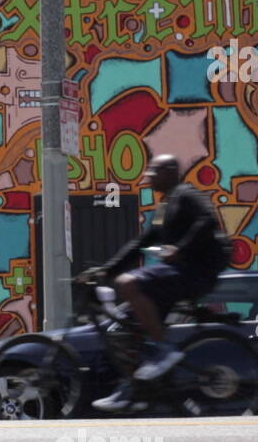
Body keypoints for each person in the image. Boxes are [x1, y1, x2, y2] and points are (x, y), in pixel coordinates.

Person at [82, 154, 232, 412]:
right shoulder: (165, 207)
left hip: (195, 273)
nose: (148, 177)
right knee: (121, 330)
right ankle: (135, 389)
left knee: (128, 283)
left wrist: (180, 249)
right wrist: (105, 270)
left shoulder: (186, 195)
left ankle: (164, 349)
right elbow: (141, 243)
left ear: (171, 172)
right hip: (175, 276)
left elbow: (207, 220)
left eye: (153, 172)